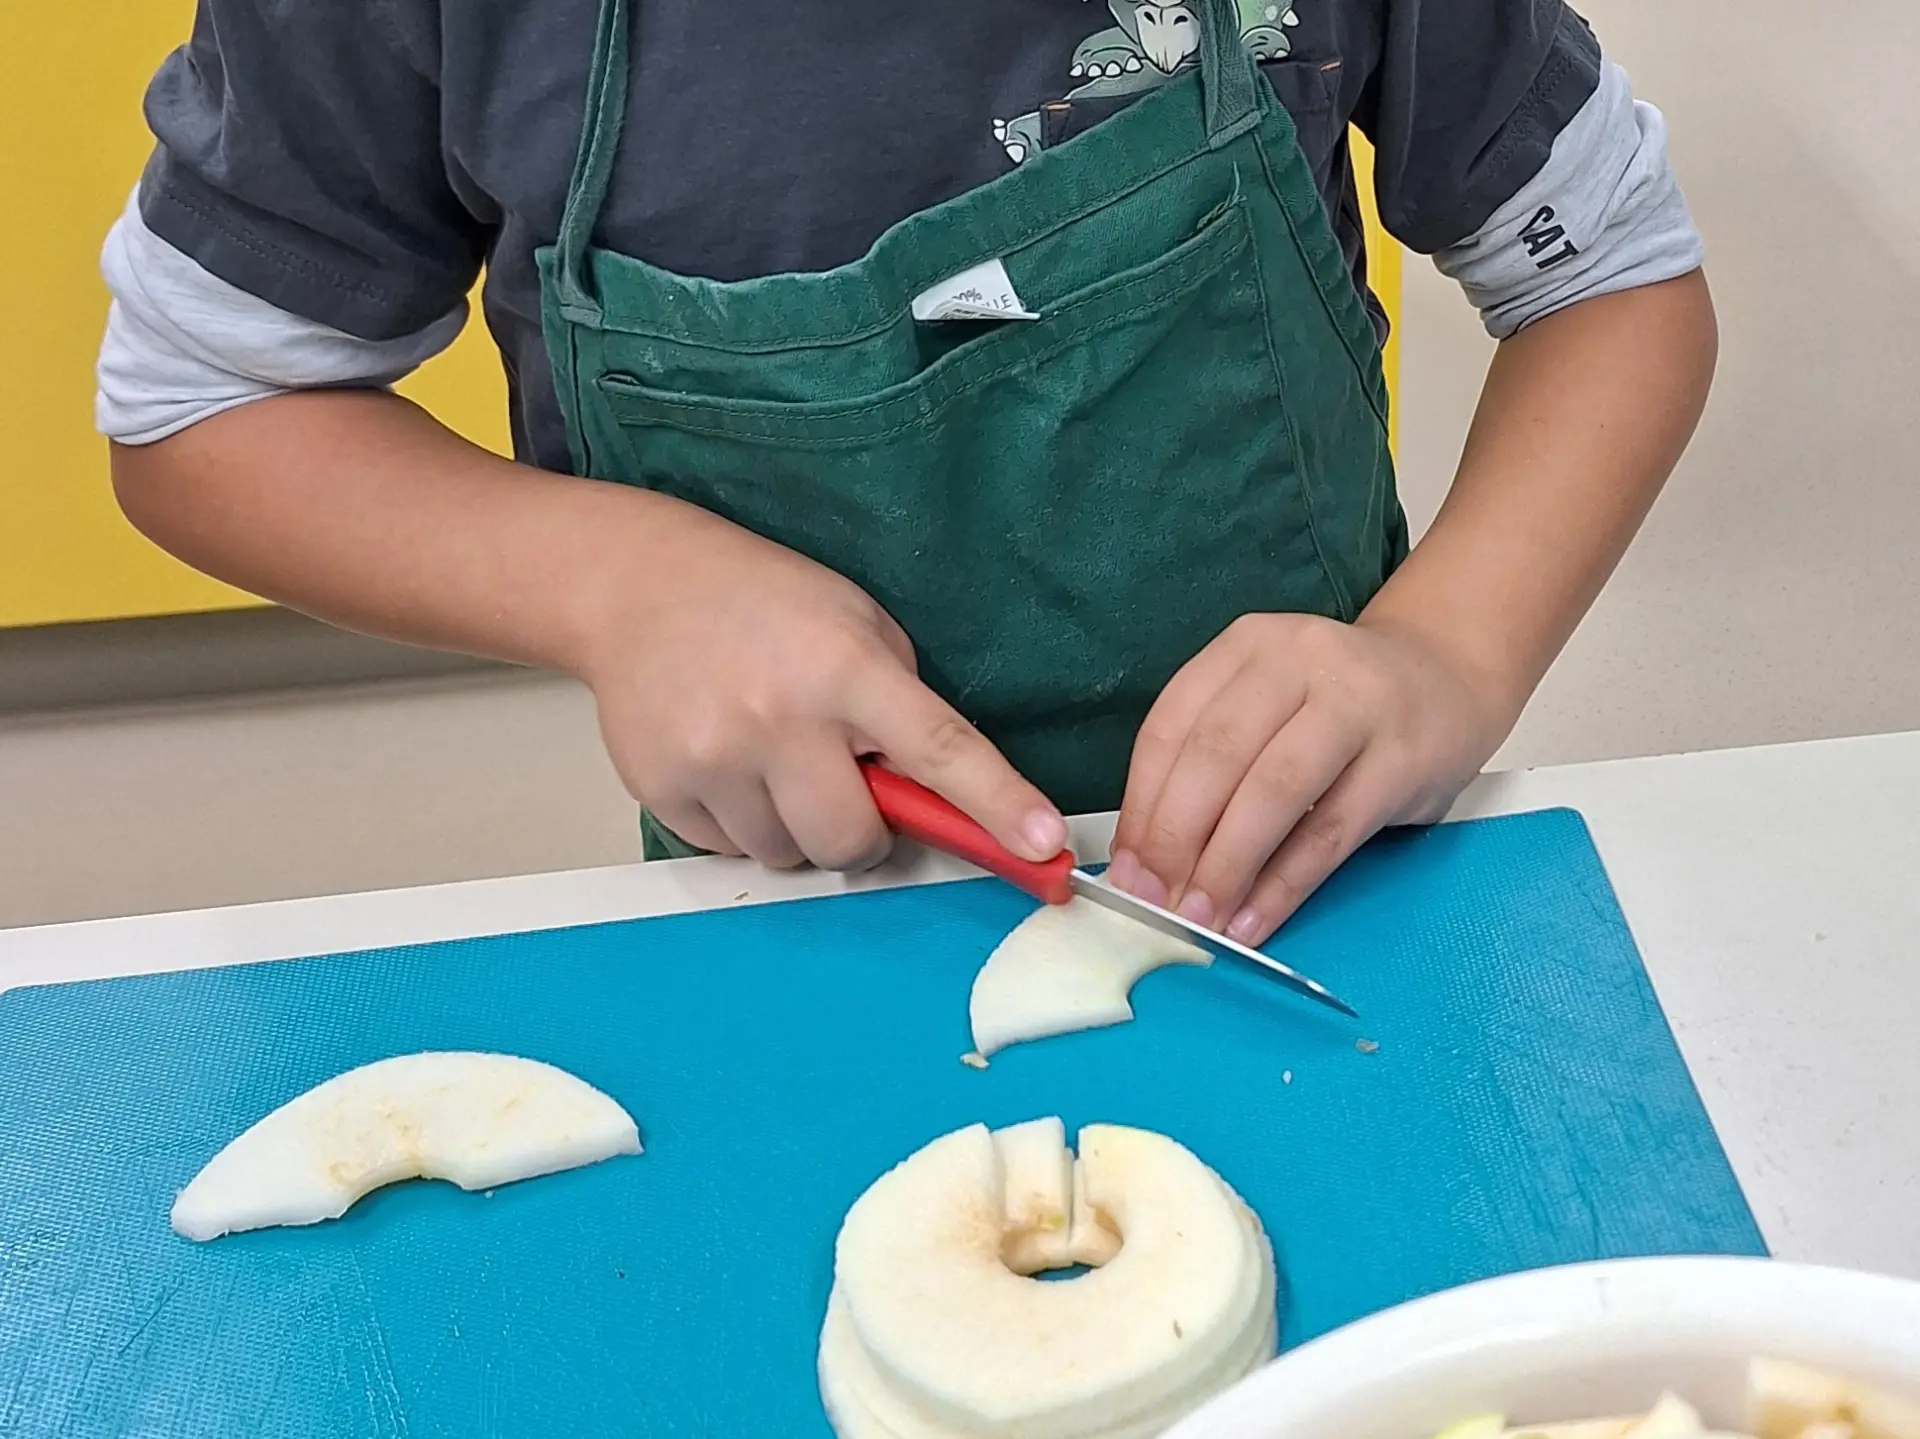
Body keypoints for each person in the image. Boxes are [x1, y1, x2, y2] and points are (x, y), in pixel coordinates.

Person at [96, 0, 1715, 945]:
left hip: (1342, 874)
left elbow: (1611, 280)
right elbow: (201, 406)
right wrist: (617, 587)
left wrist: (1445, 654)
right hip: (794, 904)